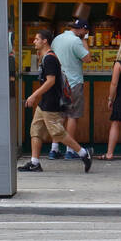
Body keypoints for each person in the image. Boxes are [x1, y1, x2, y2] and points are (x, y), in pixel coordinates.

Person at [19, 29, 92, 173]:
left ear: (44, 41)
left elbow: (51, 81)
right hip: (45, 102)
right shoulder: (46, 57)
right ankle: (34, 162)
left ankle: (84, 153)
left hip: (51, 102)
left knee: (58, 133)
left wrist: (34, 95)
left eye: (36, 39)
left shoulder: (50, 58)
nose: (34, 41)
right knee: (36, 129)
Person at [48, 17, 91, 160]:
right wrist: (84, 40)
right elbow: (87, 58)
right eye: (85, 31)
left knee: (59, 116)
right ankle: (70, 150)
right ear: (82, 30)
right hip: (73, 82)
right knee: (72, 116)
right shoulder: (76, 41)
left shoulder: (57, 39)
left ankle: (54, 149)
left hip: (58, 82)